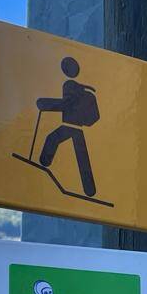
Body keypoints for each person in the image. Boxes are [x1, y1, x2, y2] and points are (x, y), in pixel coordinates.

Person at [36, 57, 100, 197]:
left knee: (54, 140)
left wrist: (44, 104)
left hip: (70, 127)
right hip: (75, 128)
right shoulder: (77, 89)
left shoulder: (71, 88)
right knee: (81, 157)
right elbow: (67, 104)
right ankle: (90, 190)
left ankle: (44, 163)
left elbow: (65, 104)